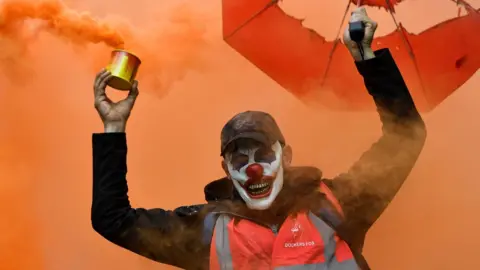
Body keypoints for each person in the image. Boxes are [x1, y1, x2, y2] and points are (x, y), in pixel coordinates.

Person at [91, 8, 426, 270]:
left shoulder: (337, 205)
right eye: (239, 158)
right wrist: (113, 127)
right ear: (225, 169)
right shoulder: (205, 230)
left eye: (262, 153)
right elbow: (113, 220)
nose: (253, 168)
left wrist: (367, 58)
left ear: (286, 156)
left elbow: (405, 135)